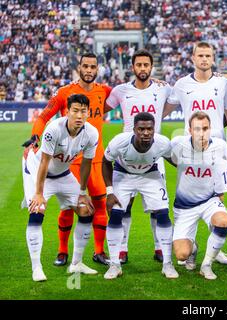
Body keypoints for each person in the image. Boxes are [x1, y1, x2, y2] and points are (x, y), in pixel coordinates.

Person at [22, 53, 112, 266]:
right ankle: (62, 252)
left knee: (98, 205)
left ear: (97, 69)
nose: (89, 70)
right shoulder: (65, 92)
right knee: (69, 208)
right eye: (85, 66)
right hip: (70, 161)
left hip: (95, 159)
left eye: (93, 67)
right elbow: (44, 116)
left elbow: (129, 91)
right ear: (78, 68)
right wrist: (36, 136)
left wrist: (153, 82)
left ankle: (99, 252)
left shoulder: (105, 91)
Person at [164, 42, 227, 265]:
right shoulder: (181, 84)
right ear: (193, 58)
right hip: (192, 149)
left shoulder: (222, 82)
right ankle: (192, 243)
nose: (204, 59)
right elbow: (164, 108)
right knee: (193, 192)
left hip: (217, 148)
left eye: (208, 55)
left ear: (213, 59)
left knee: (218, 198)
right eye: (201, 55)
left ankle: (216, 250)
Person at [22, 94, 99, 281]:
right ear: (67, 112)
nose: (79, 115)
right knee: (37, 210)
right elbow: (44, 163)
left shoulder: (91, 133)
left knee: (86, 210)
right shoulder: (54, 129)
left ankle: (76, 264)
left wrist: (82, 192)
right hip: (38, 171)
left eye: (83, 111)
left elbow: (86, 164)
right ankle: (36, 268)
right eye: (75, 111)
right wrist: (39, 194)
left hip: (63, 174)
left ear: (88, 113)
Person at [105, 49, 172, 264]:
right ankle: (122, 249)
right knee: (125, 205)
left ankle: (160, 247)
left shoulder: (163, 89)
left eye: (146, 65)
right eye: (139, 65)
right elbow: (101, 109)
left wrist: (214, 74)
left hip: (153, 152)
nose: (142, 68)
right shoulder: (121, 90)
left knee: (157, 206)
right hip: (126, 153)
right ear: (132, 67)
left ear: (151, 67)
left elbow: (187, 94)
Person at [170, 112, 227, 280]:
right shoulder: (178, 144)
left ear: (210, 129)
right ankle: (193, 249)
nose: (201, 133)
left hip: (209, 200)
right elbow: (161, 152)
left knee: (222, 220)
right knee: (181, 254)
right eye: (197, 129)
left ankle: (206, 265)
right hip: (184, 206)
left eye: (205, 128)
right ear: (190, 130)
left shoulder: (219, 145)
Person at [102, 112, 178, 280]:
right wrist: (109, 192)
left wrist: (190, 167)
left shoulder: (163, 143)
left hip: (150, 175)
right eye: (141, 129)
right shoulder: (119, 142)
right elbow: (106, 162)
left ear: (154, 129)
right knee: (115, 214)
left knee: (163, 214)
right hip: (123, 175)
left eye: (149, 129)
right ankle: (115, 264)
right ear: (134, 129)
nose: (146, 133)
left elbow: (174, 160)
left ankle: (167, 263)